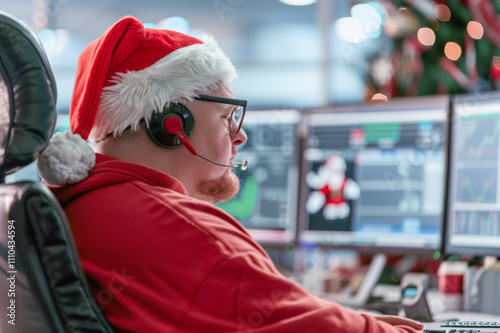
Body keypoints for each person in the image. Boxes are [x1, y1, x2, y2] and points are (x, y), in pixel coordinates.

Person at [38, 16, 424, 333]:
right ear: (172, 124)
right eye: (226, 117)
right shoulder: (179, 227)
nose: (239, 135)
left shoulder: (74, 203)